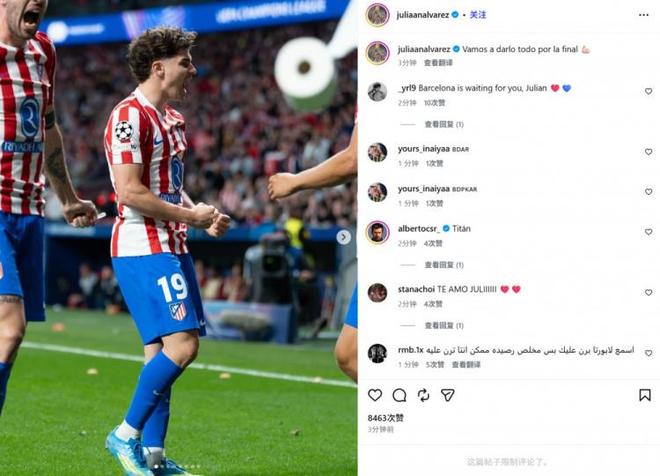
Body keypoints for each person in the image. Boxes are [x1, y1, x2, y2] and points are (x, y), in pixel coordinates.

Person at [102, 26, 230, 475]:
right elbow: (129, 192)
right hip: (142, 244)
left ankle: (154, 459)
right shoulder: (128, 116)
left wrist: (200, 214)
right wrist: (190, 217)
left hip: (172, 244)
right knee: (184, 345)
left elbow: (169, 187)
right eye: (185, 62)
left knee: (161, 352)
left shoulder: (171, 119)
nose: (193, 70)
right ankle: (124, 435)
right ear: (158, 68)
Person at [0, 0, 98, 416]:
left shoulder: (44, 51)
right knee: (10, 327)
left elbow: (48, 125)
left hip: (29, 210)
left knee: (10, 338)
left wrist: (68, 198)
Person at [268, 124, 358, 382]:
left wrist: (295, 181)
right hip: (298, 267)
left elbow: (354, 159)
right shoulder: (296, 228)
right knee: (349, 354)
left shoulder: (291, 227)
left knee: (350, 354)